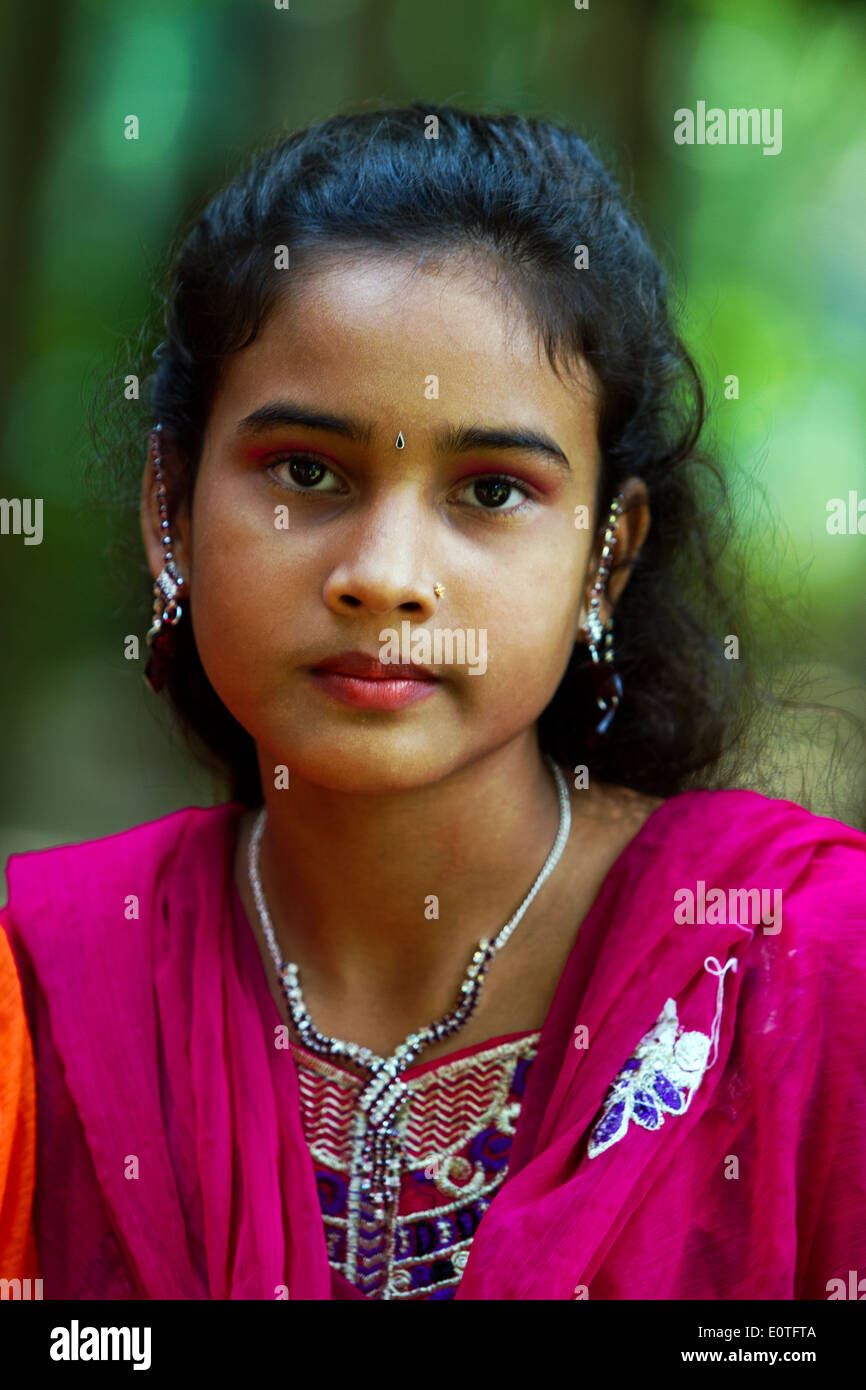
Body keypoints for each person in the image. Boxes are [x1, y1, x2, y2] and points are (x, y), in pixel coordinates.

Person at [2, 104, 865, 1301]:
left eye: (490, 490)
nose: (386, 576)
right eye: (307, 471)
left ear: (604, 558)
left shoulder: (806, 966)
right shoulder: (32, 992)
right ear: (169, 512)